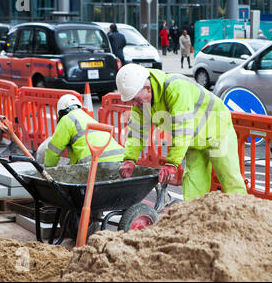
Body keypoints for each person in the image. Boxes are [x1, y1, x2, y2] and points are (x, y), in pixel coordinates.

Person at [116, 64, 247, 202]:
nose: (134, 104)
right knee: (193, 182)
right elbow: (137, 132)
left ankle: (244, 215)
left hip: (217, 131)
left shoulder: (176, 88)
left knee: (229, 178)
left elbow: (182, 129)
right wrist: (129, 159)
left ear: (148, 89)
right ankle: (192, 217)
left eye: (135, 99)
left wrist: (172, 163)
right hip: (194, 140)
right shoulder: (142, 104)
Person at [44, 94, 125, 167]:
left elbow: (53, 151)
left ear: (61, 112)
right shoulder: (87, 118)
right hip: (121, 159)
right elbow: (78, 154)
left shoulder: (67, 119)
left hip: (96, 165)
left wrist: (47, 169)